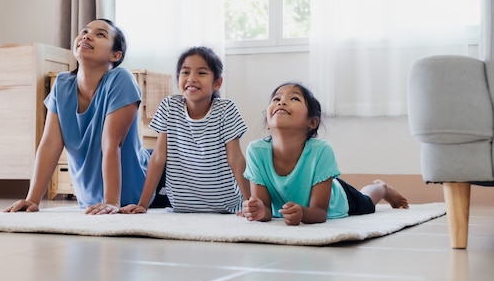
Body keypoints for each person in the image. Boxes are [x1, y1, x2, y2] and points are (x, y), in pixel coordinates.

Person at [4, 18, 151, 215]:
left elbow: (111, 144)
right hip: (88, 200)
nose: (87, 35)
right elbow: (49, 145)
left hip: (143, 190)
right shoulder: (62, 84)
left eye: (100, 34)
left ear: (115, 55)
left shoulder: (121, 80)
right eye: (84, 31)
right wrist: (32, 199)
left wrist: (111, 202)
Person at [241, 82, 409, 225]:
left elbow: (320, 212)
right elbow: (266, 209)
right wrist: (259, 210)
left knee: (367, 203)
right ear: (268, 124)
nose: (282, 102)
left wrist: (303, 214)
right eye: (276, 99)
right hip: (298, 205)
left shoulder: (321, 150)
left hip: (334, 198)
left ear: (312, 122)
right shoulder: (256, 151)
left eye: (294, 98)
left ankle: (381, 187)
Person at [121, 46, 250, 214]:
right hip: (182, 206)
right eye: (185, 72)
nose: (192, 78)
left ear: (217, 83)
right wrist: (143, 205)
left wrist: (250, 203)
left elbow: (236, 157)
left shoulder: (226, 109)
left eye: (202, 73)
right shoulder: (169, 107)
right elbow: (158, 158)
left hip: (225, 205)